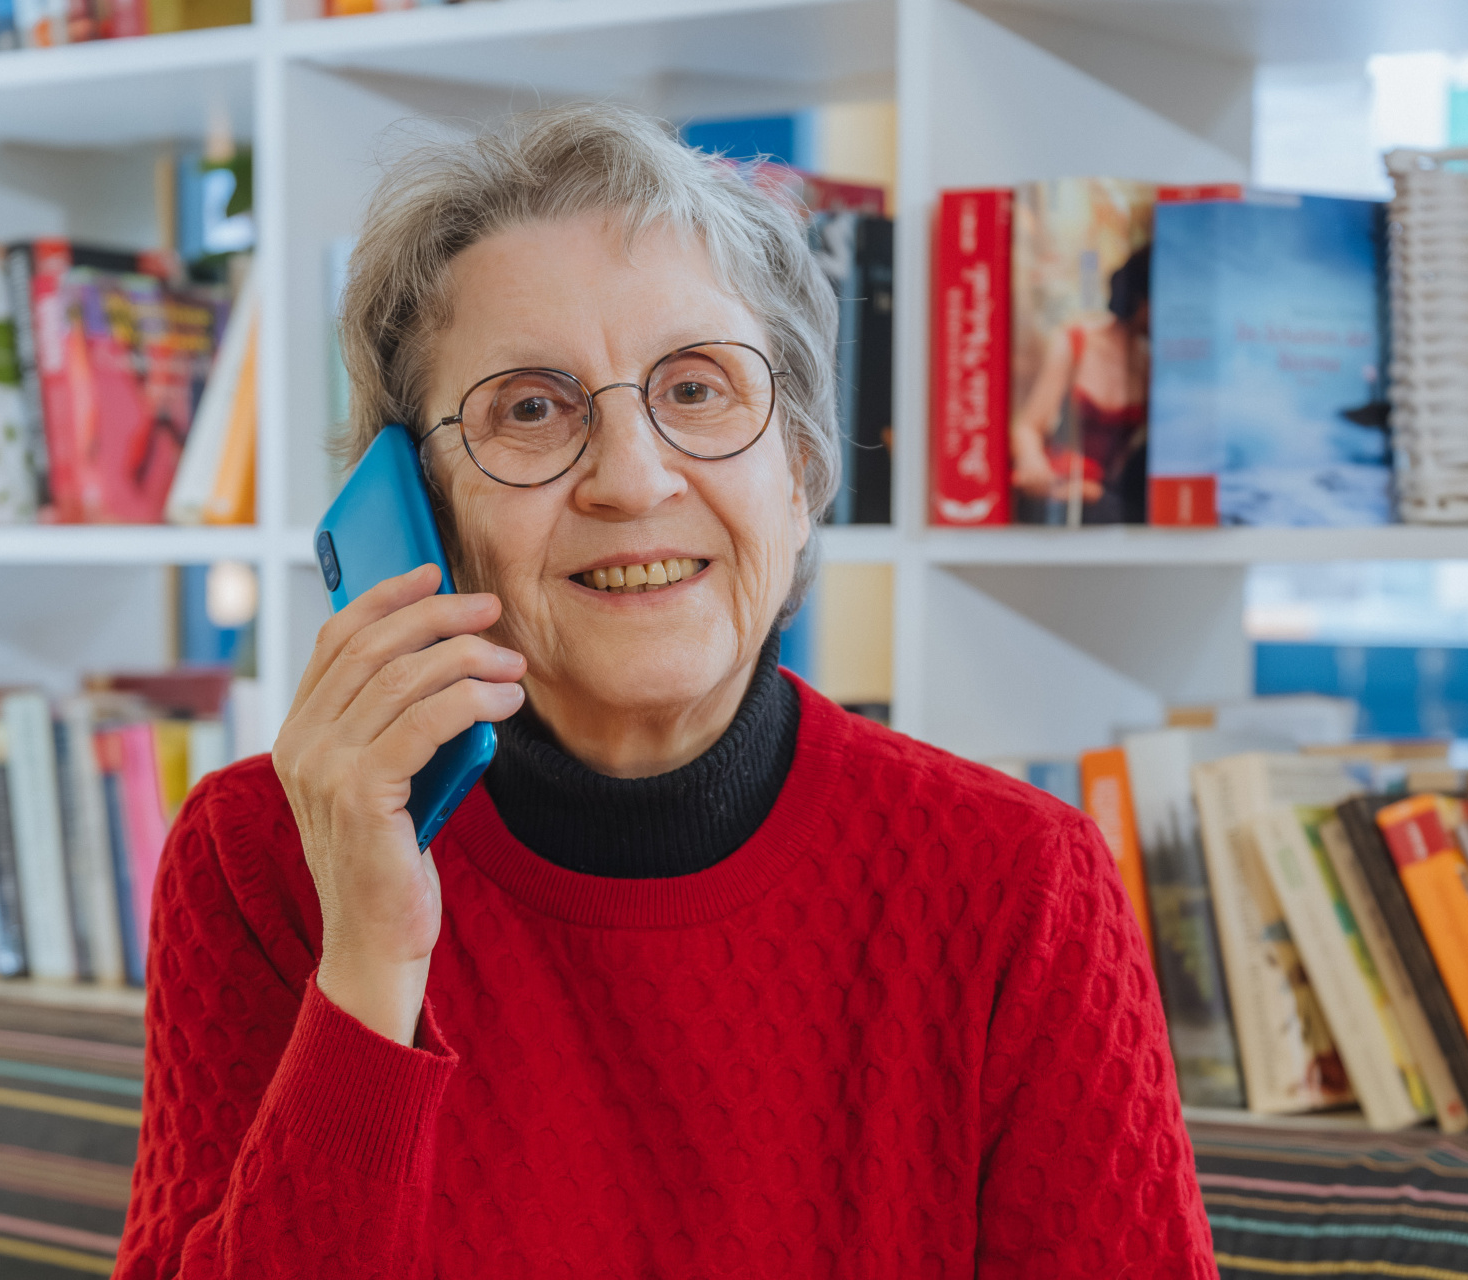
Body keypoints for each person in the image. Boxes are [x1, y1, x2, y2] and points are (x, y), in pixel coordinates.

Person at [115, 105, 1214, 1278]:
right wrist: (372, 960)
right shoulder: (258, 857)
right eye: (529, 409)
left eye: (696, 389)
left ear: (799, 472)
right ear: (419, 511)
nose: (633, 481)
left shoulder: (1017, 883)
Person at [1011, 245, 1152, 524]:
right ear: (1141, 299)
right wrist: (1033, 463)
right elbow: (1027, 426)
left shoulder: (1150, 365)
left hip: (1107, 491)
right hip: (1061, 481)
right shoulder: (1076, 342)